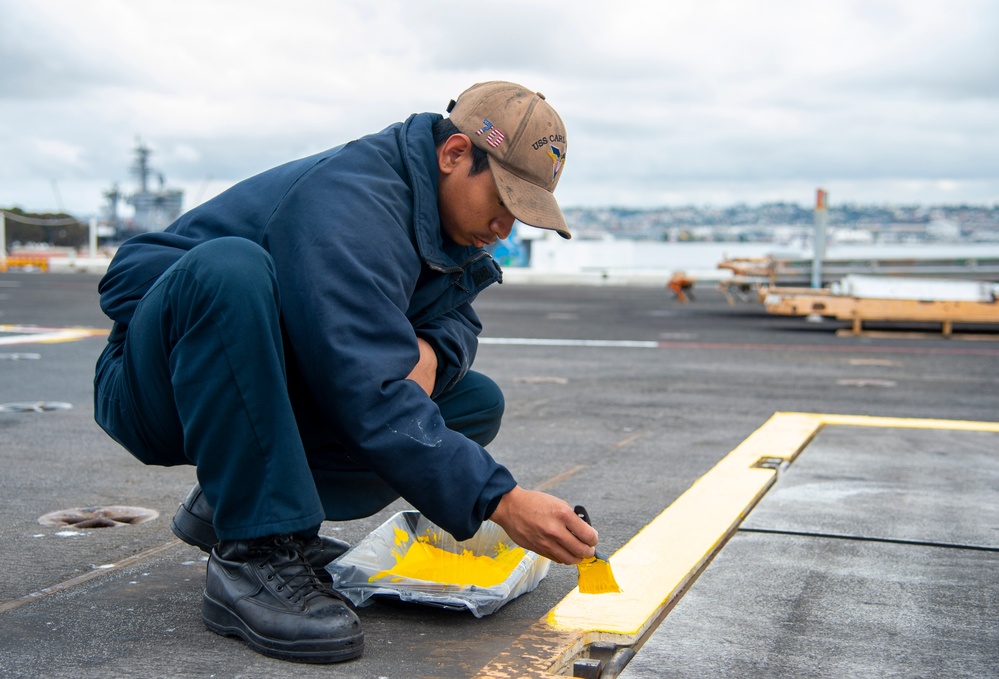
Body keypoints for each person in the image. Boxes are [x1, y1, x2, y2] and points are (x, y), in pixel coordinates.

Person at [93, 81, 599, 664]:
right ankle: (251, 553)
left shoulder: (439, 217)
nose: (506, 228)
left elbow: (457, 316)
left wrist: (435, 351)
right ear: (455, 153)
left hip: (256, 382)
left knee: (472, 403)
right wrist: (501, 500)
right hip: (156, 382)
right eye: (504, 201)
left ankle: (228, 505)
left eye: (522, 213)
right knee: (230, 269)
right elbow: (367, 389)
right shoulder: (356, 204)